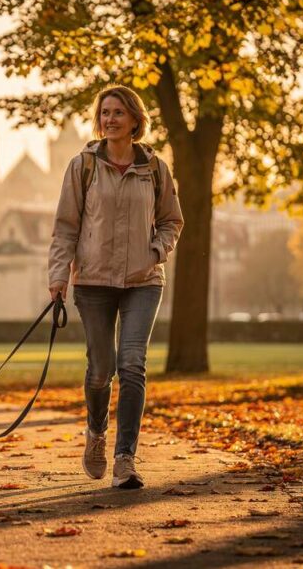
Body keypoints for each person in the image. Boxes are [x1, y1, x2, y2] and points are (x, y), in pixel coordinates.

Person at [47, 85, 184, 489]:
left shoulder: (155, 168)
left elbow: (172, 220)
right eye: (105, 112)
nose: (110, 119)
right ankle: (96, 432)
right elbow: (66, 226)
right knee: (100, 370)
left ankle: (125, 458)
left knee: (132, 365)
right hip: (93, 280)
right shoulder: (83, 166)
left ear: (135, 120)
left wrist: (156, 251)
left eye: (118, 112)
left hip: (144, 281)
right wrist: (58, 275)